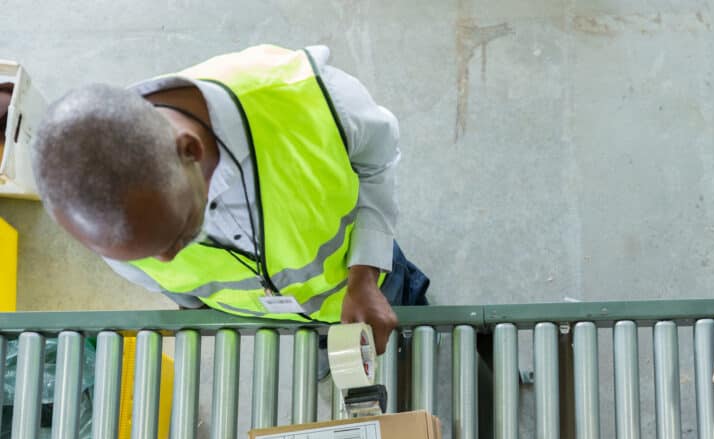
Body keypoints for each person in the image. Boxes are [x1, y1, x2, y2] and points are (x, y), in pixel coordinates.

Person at [31, 44, 428, 354]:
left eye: (178, 234)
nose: (166, 260)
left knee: (407, 309)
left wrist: (364, 279)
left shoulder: (310, 98)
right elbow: (183, 291)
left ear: (189, 150)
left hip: (365, 281)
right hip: (282, 317)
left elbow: (377, 165)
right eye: (141, 255)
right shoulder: (110, 220)